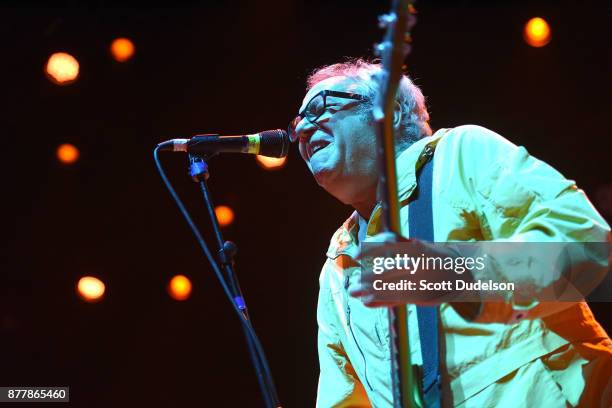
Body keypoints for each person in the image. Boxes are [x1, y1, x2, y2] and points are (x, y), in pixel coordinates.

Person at [289, 59, 612, 407]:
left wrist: (455, 273)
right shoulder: (337, 265)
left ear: (391, 113)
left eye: (321, 108)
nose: (303, 130)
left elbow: (586, 246)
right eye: (297, 123)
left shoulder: (460, 154)